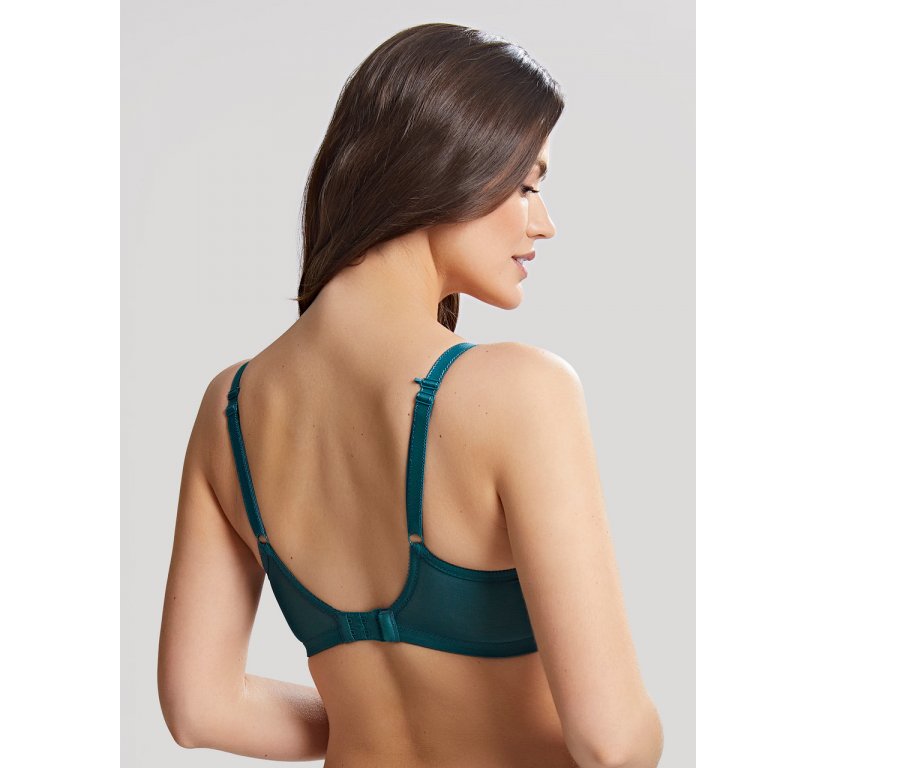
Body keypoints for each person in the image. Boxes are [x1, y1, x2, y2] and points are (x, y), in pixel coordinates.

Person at [158, 22, 663, 767]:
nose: (545, 223)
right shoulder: (520, 393)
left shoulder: (228, 407)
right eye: (527, 185)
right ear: (448, 164)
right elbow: (613, 743)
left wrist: (368, 725)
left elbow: (200, 708)